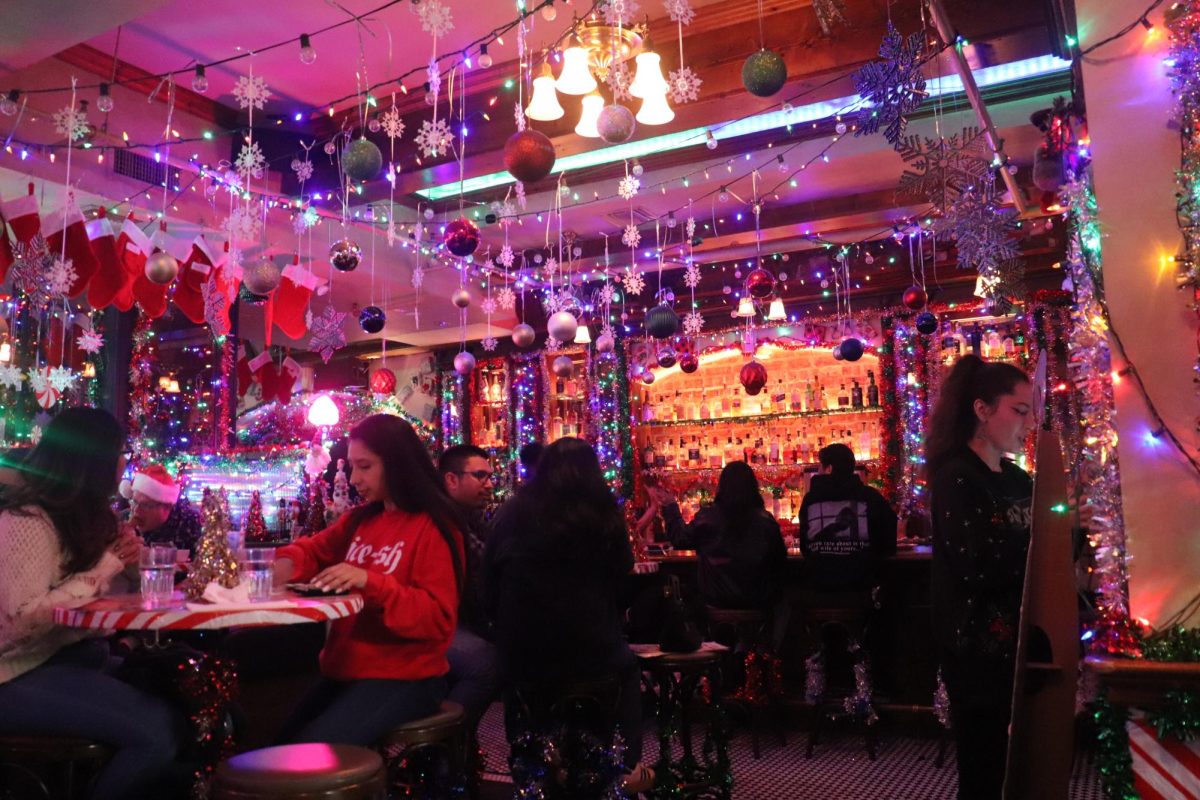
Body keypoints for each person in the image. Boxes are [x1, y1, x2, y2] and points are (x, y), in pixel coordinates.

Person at [0, 408, 187, 800]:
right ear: (96, 460)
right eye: (122, 452)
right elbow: (19, 623)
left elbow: (99, 606)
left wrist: (132, 564)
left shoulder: (81, 517)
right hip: (12, 675)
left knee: (188, 699)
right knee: (157, 732)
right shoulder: (28, 521)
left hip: (67, 659)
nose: (126, 461)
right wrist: (104, 567)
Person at [274, 414, 465, 745]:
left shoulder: (434, 526)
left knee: (312, 753)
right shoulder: (360, 520)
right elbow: (311, 551)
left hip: (407, 675)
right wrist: (284, 563)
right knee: (277, 745)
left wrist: (369, 581)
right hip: (346, 669)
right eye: (351, 466)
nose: (353, 477)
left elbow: (437, 619)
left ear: (397, 464)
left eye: (365, 466)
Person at [486, 437, 654, 793]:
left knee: (522, 694)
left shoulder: (512, 513)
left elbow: (489, 580)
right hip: (591, 652)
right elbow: (622, 573)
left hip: (522, 653)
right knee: (627, 670)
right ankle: (624, 768)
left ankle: (530, 766)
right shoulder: (603, 513)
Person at [926, 354, 1036, 800]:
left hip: (1024, 635)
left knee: (1021, 762)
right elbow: (977, 564)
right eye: (1020, 411)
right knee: (984, 765)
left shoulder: (1015, 477)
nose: (1027, 424)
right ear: (982, 409)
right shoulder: (956, 477)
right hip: (976, 644)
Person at [654, 461, 787, 614]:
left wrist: (671, 506)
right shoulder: (766, 521)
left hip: (715, 600)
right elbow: (780, 560)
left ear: (721, 487)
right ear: (753, 488)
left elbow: (679, 538)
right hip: (758, 601)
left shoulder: (707, 517)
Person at [437, 444, 501, 734]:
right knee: (490, 662)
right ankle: (442, 746)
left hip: (461, 618)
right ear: (451, 479)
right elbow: (489, 565)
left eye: (490, 477)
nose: (489, 485)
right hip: (438, 624)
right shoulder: (444, 517)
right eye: (480, 476)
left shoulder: (470, 516)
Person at [798, 443, 897, 595]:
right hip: (863, 588)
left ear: (829, 469)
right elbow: (889, 544)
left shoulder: (811, 500)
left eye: (820, 466)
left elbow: (805, 547)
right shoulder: (871, 497)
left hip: (819, 589)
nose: (818, 470)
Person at [121, 463, 201, 554]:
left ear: (167, 507)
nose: (136, 511)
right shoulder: (122, 521)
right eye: (134, 502)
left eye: (146, 505)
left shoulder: (190, 523)